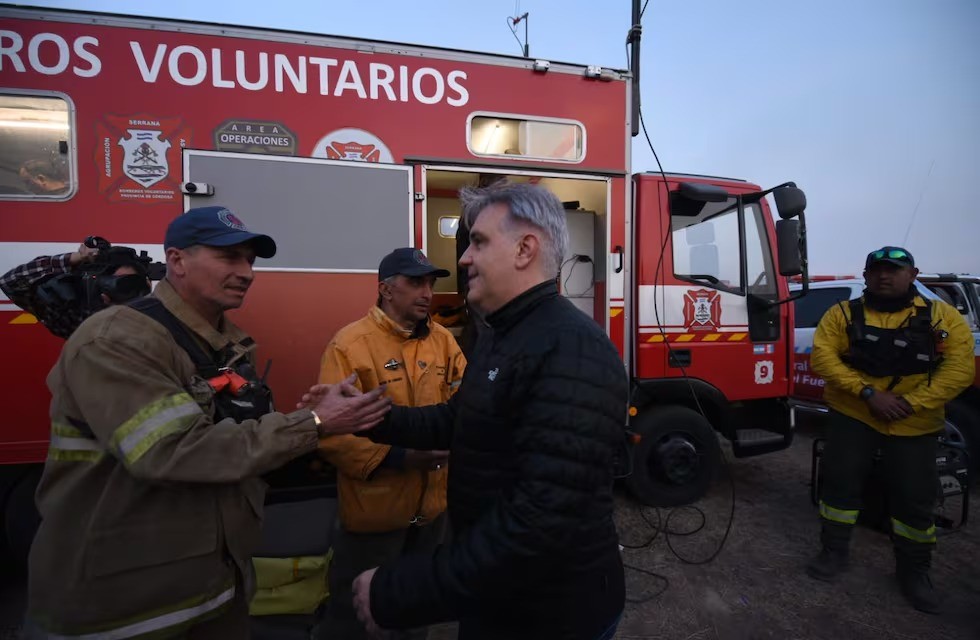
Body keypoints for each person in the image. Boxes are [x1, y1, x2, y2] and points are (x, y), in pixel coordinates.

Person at [24, 206, 392, 638]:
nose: (247, 272)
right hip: (124, 613)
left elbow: (234, 439)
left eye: (250, 260)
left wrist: (306, 419)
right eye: (229, 257)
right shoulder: (118, 338)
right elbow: (172, 450)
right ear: (177, 261)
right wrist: (311, 422)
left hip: (209, 596)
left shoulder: (223, 343)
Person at [310, 182, 627, 639]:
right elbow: (459, 418)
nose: (463, 259)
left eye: (477, 242)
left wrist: (401, 591)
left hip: (549, 616)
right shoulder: (503, 334)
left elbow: (539, 526)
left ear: (525, 249)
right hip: (500, 601)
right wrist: (370, 417)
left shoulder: (571, 348)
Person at [806, 246, 975, 613]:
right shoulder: (841, 315)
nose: (885, 276)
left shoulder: (941, 318)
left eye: (894, 270)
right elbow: (822, 357)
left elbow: (959, 369)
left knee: (914, 497)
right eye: (878, 270)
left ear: (913, 274)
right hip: (854, 413)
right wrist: (868, 393)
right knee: (839, 485)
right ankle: (833, 551)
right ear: (866, 276)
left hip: (915, 421)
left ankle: (914, 572)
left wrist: (912, 403)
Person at [312, 247, 465, 640]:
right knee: (354, 617)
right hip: (374, 518)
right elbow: (330, 434)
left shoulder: (444, 341)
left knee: (415, 612)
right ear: (385, 289)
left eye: (430, 283)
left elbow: (468, 407)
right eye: (415, 282)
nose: (428, 292)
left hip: (432, 513)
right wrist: (400, 457)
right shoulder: (349, 345)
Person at [0, 237, 158, 338]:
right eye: (115, 283)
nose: (124, 293)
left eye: (130, 285)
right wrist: (74, 259)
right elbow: (11, 281)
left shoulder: (155, 324)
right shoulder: (75, 315)